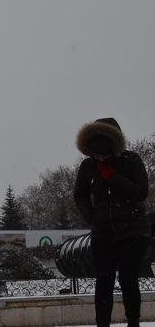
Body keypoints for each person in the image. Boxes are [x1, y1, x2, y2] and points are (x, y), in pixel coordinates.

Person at [74, 118, 150, 327]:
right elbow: (79, 194)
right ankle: (103, 324)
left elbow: (140, 193)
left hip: (133, 230)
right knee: (104, 281)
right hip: (102, 232)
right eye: (96, 154)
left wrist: (112, 175)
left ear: (114, 146)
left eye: (103, 154)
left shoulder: (131, 160)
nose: (100, 158)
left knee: (128, 279)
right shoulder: (88, 166)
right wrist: (90, 215)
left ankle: (133, 321)